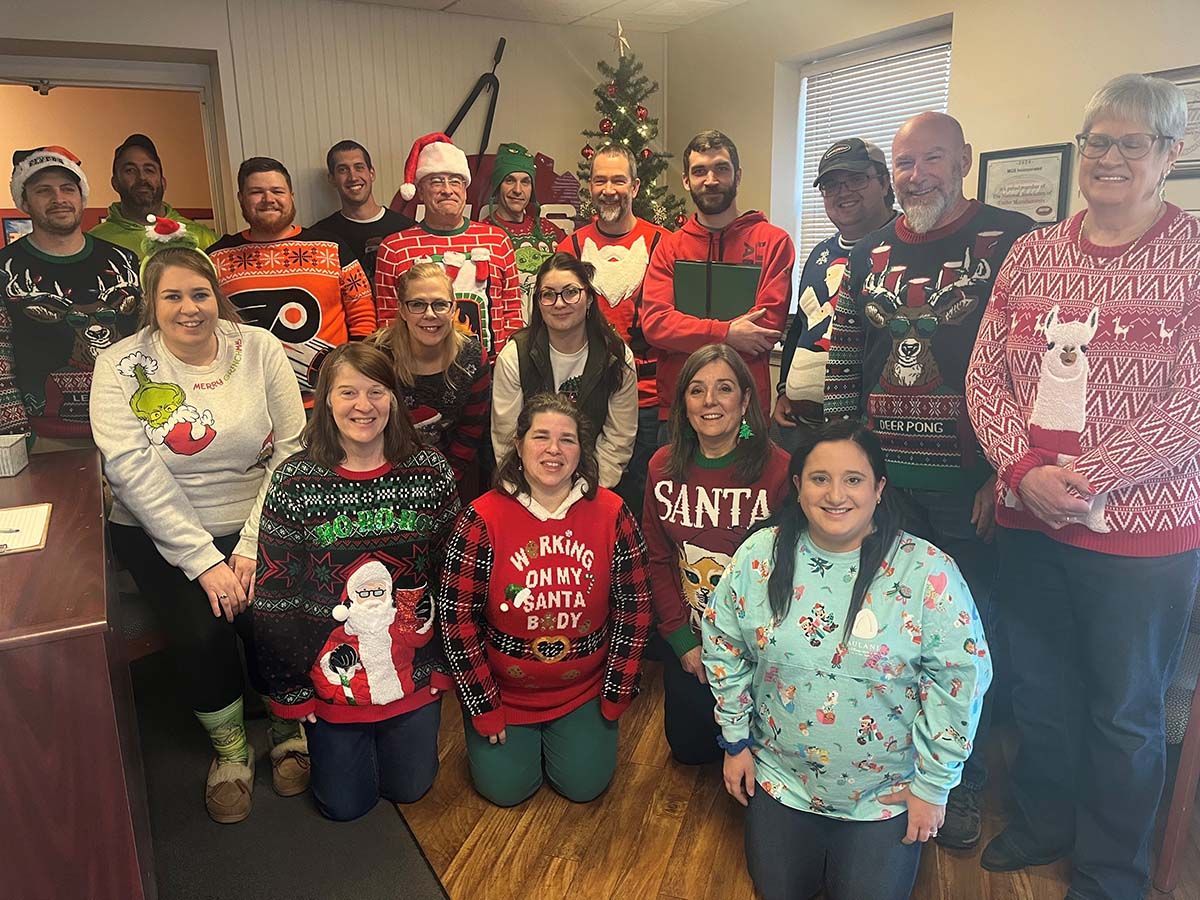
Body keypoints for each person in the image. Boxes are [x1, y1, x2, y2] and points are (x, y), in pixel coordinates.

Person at [965, 74, 1200, 899]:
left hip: (1142, 539)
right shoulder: (1032, 252)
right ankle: (1043, 823)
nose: (1107, 157)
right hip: (1031, 522)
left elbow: (1194, 403)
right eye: (1095, 140)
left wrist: (1091, 478)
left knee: (1124, 712)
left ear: (1169, 155)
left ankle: (1110, 871)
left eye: (1130, 142)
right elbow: (984, 376)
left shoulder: (1195, 254)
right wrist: (1026, 474)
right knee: (1040, 689)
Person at [822, 111, 1034, 849]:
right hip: (889, 487)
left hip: (969, 488)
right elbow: (847, 359)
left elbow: (1029, 367)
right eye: (906, 164)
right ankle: (894, 767)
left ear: (965, 160)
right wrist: (850, 470)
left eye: (932, 160)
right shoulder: (869, 252)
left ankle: (961, 784)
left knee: (964, 646)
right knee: (893, 637)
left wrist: (1006, 469)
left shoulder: (1015, 240)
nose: (918, 177)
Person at [704, 419, 991, 900]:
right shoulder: (760, 555)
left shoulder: (928, 572)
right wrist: (735, 743)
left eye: (853, 479)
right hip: (783, 777)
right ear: (797, 487)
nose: (836, 494)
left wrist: (933, 787)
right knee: (777, 890)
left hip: (886, 792)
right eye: (820, 478)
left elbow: (961, 680)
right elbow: (722, 643)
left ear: (879, 488)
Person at [89, 227, 306, 824]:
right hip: (155, 527)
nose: (189, 308)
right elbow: (131, 469)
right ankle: (231, 753)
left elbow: (291, 449)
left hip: (260, 516)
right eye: (173, 297)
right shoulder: (121, 365)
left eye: (200, 294)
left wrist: (254, 543)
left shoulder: (259, 348)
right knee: (201, 631)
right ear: (151, 306)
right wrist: (204, 560)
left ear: (218, 297)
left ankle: (290, 730)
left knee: (276, 620)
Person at [254, 341, 461, 821]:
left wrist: (446, 664)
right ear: (326, 399)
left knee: (411, 789)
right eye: (348, 392)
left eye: (376, 391)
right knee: (344, 806)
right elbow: (273, 595)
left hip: (413, 673)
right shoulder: (294, 480)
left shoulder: (429, 471)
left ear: (394, 398)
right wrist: (289, 689)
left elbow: (453, 578)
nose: (363, 406)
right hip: (331, 682)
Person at [437, 393, 653, 807]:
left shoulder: (612, 512)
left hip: (583, 690)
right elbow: (455, 620)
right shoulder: (481, 518)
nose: (554, 450)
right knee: (506, 792)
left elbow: (636, 609)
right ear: (518, 446)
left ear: (581, 450)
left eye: (567, 440)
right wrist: (482, 704)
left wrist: (617, 691)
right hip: (505, 692)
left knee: (584, 787)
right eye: (541, 437)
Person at [643, 343, 790, 764]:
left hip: (756, 645)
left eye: (724, 389)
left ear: (745, 400)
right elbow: (656, 560)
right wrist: (683, 643)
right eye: (696, 390)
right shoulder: (661, 467)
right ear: (683, 403)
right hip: (691, 635)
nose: (710, 401)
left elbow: (790, 570)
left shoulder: (779, 469)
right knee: (689, 751)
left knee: (763, 754)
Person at [642, 130, 795, 434]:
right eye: (699, 171)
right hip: (679, 412)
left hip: (746, 413)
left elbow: (764, 330)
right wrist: (726, 333)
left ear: (737, 176)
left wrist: (686, 333)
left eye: (721, 168)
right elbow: (657, 324)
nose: (710, 180)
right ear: (686, 180)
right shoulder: (670, 248)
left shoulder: (774, 242)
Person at [0, 145, 142, 449]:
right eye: (43, 191)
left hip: (134, 431)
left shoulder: (126, 261)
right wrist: (18, 440)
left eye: (68, 188)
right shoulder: (5, 270)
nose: (59, 199)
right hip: (50, 441)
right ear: (24, 200)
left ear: (82, 197)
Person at [558, 144, 670, 518]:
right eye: (600, 180)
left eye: (618, 180)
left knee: (643, 501)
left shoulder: (663, 245)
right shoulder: (570, 247)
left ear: (635, 187)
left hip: (650, 400)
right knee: (589, 498)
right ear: (589, 187)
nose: (609, 189)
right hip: (587, 397)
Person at [207, 156, 376, 401]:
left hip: (327, 403)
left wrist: (357, 377)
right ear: (241, 198)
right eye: (256, 192)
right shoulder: (215, 258)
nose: (268, 200)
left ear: (291, 196)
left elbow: (363, 314)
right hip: (250, 404)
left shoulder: (332, 248)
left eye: (277, 191)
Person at [773, 138, 895, 451]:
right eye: (831, 184)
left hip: (863, 436)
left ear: (884, 182)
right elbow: (801, 327)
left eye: (856, 179)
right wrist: (785, 390)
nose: (843, 192)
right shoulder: (820, 253)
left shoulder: (902, 248)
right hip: (800, 426)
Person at [491, 253, 636, 489]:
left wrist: (588, 490)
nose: (559, 303)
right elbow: (506, 437)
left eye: (571, 292)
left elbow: (619, 439)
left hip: (594, 483)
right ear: (538, 303)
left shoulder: (617, 356)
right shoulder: (514, 356)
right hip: (527, 484)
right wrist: (526, 494)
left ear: (588, 298)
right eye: (548, 295)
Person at [374, 133, 522, 359]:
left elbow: (513, 313)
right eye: (436, 181)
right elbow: (388, 325)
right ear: (420, 192)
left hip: (493, 375)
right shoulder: (394, 249)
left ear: (465, 189)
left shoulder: (498, 241)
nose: (447, 190)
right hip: (419, 375)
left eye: (455, 181)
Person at [373, 261, 491, 497]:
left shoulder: (473, 357)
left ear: (452, 308)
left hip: (453, 476)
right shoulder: (378, 355)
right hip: (383, 477)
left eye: (439, 304)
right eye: (417, 304)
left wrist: (444, 482)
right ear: (403, 310)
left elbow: (471, 431)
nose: (429, 314)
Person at [90, 133, 218, 256]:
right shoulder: (95, 242)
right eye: (130, 170)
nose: (142, 178)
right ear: (115, 183)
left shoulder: (202, 237)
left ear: (163, 182)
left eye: (149, 170)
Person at [311, 139, 414, 284]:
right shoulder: (320, 237)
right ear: (332, 179)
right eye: (343, 170)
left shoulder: (407, 230)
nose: (353, 177)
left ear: (371, 173)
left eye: (359, 167)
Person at [485, 141, 566, 316]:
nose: (518, 190)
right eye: (509, 180)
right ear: (498, 185)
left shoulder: (550, 231)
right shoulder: (484, 234)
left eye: (525, 182)